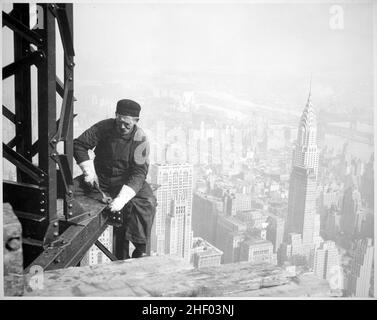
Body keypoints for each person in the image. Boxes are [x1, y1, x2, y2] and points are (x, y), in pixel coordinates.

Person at [73, 99, 156, 259]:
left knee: (148, 202)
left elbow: (139, 172)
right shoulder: (103, 127)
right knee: (68, 191)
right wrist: (89, 172)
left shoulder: (141, 139)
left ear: (136, 121)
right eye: (120, 121)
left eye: (127, 124)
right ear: (116, 115)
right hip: (101, 178)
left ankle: (140, 247)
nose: (122, 127)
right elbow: (79, 144)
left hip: (126, 182)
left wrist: (122, 199)